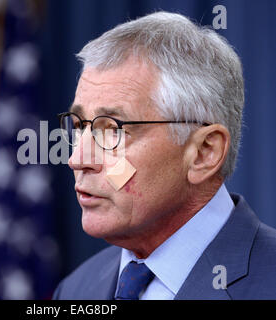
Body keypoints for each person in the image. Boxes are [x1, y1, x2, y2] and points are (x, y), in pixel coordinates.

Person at [52, 11, 276, 300]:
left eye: (113, 131)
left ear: (204, 153)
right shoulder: (76, 289)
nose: (77, 159)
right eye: (79, 126)